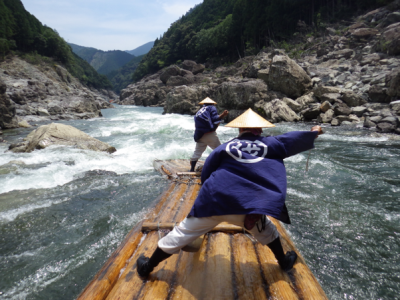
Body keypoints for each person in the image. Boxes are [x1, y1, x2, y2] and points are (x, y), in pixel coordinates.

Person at [137, 108, 324, 277]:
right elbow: (298, 138)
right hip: (249, 207)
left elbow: (207, 173)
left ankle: (147, 267)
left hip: (215, 201)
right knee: (268, 231)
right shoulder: (274, 143)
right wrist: (315, 131)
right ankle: (284, 262)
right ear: (259, 129)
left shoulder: (224, 147)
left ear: (239, 130)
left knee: (181, 233)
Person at [189, 97, 228, 172]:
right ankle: (223, 167)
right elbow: (215, 118)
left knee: (197, 152)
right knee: (219, 150)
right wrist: (223, 114)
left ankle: (191, 169)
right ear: (213, 103)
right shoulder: (211, 108)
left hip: (199, 134)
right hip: (209, 134)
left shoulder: (200, 110)